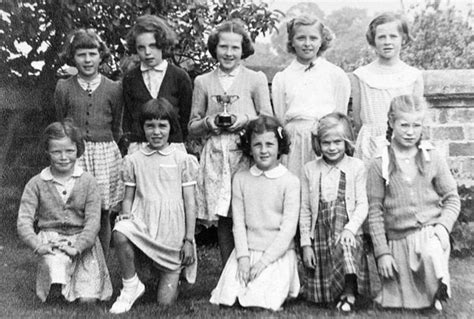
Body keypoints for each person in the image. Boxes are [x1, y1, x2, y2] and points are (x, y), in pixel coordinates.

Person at [188, 19, 273, 265]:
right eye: (223, 47)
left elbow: (268, 118)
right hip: (216, 155)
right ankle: (228, 274)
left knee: (248, 213)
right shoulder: (203, 81)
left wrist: (244, 120)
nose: (228, 53)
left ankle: (254, 266)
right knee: (224, 217)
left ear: (243, 49)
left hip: (246, 153)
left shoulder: (255, 79)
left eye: (235, 48)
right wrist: (208, 123)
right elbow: (192, 126)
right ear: (215, 48)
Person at [367, 95, 460, 310]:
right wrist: (382, 252)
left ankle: (438, 289)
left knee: (431, 251)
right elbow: (375, 211)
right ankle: (416, 291)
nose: (410, 132)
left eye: (416, 125)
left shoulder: (432, 156)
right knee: (398, 302)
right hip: (398, 239)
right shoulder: (379, 162)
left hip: (429, 233)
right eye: (404, 125)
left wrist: (443, 227)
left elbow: (452, 198)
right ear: (391, 122)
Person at [110, 98, 198, 314]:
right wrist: (126, 215)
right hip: (144, 223)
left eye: (162, 126)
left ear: (171, 128)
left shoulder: (182, 159)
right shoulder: (134, 159)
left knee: (164, 304)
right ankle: (131, 285)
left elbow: (189, 202)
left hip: (172, 231)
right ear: (143, 127)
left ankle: (169, 278)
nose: (156, 132)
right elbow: (128, 197)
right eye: (150, 126)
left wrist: (188, 240)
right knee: (119, 232)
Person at [210, 115, 300, 311]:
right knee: (228, 299)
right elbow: (239, 224)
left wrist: (262, 263)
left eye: (269, 144)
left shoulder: (290, 181)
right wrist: (242, 258)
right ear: (249, 148)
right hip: (248, 251)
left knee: (259, 302)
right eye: (257, 145)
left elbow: (288, 231)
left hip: (276, 254)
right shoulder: (241, 179)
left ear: (280, 146)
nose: (264, 150)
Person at [17, 120, 112, 303]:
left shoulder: (88, 181)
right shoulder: (36, 183)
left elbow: (93, 222)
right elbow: (23, 222)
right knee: (56, 281)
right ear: (47, 152)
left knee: (87, 300)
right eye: (56, 151)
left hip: (82, 243)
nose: (63, 157)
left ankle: (79, 285)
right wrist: (39, 245)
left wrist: (77, 247)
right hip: (51, 242)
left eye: (69, 151)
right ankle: (55, 287)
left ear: (78, 151)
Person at [55, 28, 124, 258]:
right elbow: (61, 123)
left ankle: (101, 269)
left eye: (92, 53)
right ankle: (74, 266)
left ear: (100, 56)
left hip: (104, 155)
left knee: (102, 212)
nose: (87, 59)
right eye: (81, 54)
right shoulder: (64, 87)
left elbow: (116, 127)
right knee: (75, 211)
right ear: (73, 57)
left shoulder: (114, 89)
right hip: (76, 155)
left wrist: (107, 147)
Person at [299, 113, 369, 312]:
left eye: (337, 142)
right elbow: (305, 209)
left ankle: (349, 292)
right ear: (318, 143)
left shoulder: (356, 167)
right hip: (321, 232)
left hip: (347, 229)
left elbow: (362, 204)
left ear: (346, 140)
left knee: (345, 245)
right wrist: (305, 243)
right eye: (326, 142)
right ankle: (329, 293)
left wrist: (351, 228)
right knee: (320, 297)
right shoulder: (310, 169)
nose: (332, 147)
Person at [272, 15, 350, 181]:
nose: (307, 44)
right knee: (296, 189)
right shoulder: (283, 77)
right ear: (292, 41)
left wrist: (329, 137)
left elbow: (340, 116)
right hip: (295, 142)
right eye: (301, 38)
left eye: (313, 38)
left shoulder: (336, 75)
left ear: (321, 41)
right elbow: (280, 117)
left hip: (326, 141)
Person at [352, 12, 424, 164]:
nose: (387, 42)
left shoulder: (413, 76)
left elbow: (416, 117)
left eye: (393, 36)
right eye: (381, 37)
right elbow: (358, 119)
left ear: (403, 39)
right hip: (370, 144)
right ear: (373, 41)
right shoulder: (362, 75)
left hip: (402, 141)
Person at [122, 14, 192, 154]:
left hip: (172, 147)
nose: (147, 53)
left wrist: (175, 139)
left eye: (152, 46)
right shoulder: (130, 78)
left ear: (162, 44)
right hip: (139, 148)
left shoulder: (179, 76)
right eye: (141, 48)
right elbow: (128, 117)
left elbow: (186, 117)